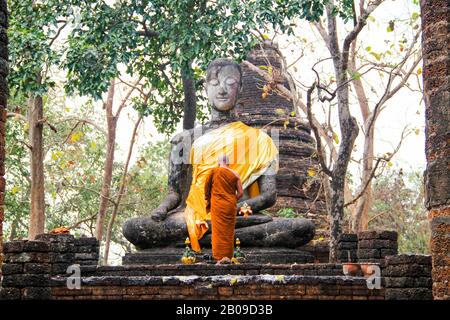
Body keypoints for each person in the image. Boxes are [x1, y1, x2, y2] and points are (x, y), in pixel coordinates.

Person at [204, 154, 243, 264]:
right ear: (228, 162)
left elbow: (206, 189)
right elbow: (240, 193)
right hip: (230, 205)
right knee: (228, 232)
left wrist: (209, 199)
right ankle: (228, 257)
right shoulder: (235, 174)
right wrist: (230, 199)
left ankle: (219, 258)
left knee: (218, 231)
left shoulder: (214, 172)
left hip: (217, 205)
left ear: (219, 162)